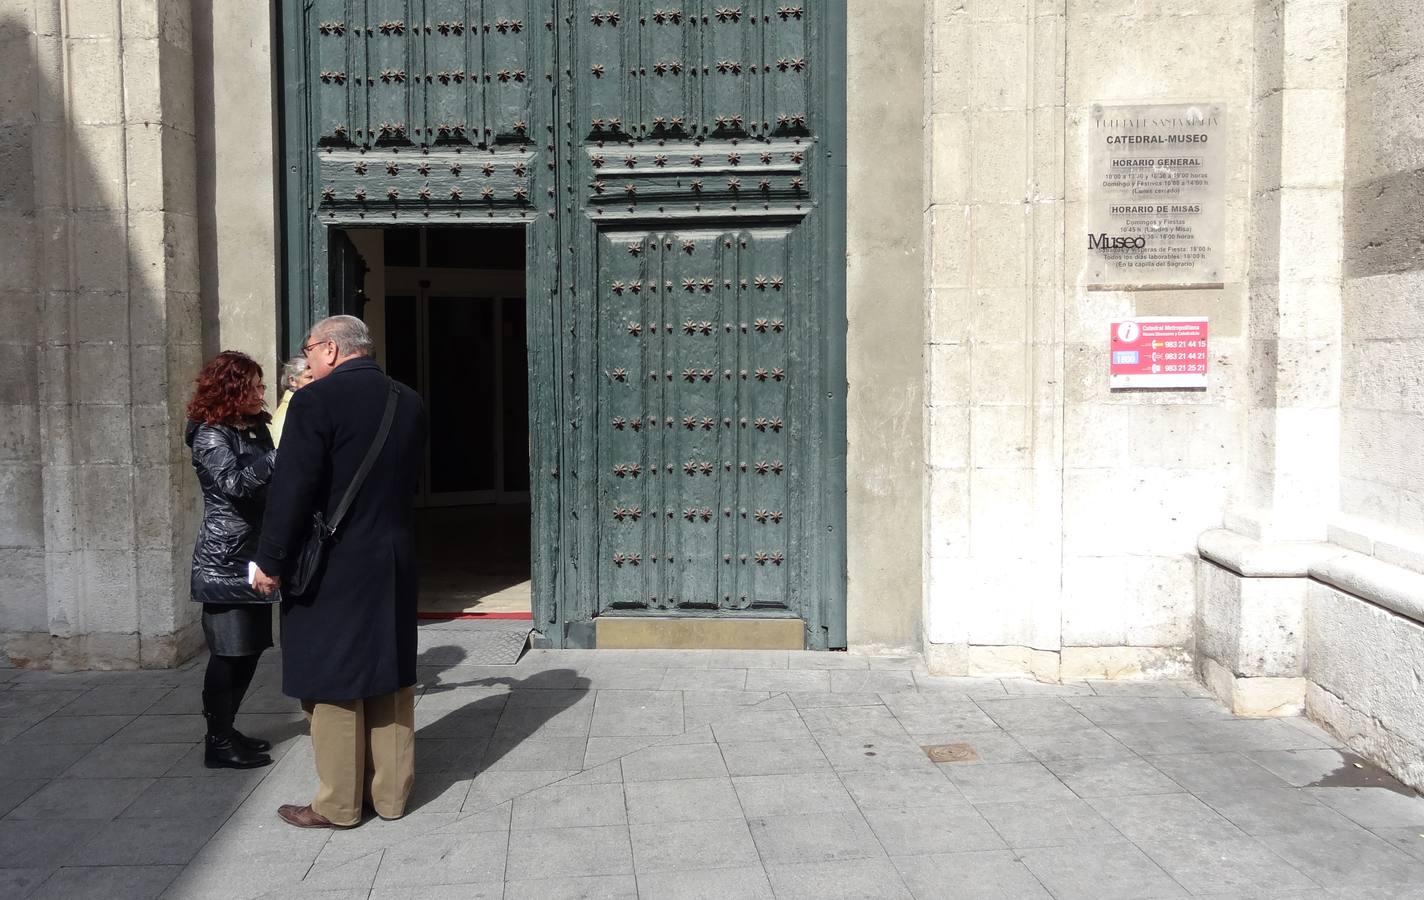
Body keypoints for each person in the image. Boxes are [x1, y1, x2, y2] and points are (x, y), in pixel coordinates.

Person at [252, 315, 427, 829]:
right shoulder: (409, 400)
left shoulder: (314, 401)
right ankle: (392, 797)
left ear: (329, 349)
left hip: (332, 561)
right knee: (390, 672)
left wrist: (271, 561)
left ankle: (339, 804)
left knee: (332, 678)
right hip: (392, 555)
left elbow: (292, 490)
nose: (305, 358)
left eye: (308, 348)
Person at [184, 350, 279, 769]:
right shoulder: (209, 434)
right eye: (255, 386)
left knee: (251, 649)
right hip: (223, 559)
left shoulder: (256, 428)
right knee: (229, 652)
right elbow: (235, 484)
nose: (262, 392)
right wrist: (282, 455)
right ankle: (217, 742)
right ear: (233, 389)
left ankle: (228, 727)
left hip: (254, 554)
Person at [268, 355, 312, 447]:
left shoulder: (302, 405)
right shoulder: (289, 412)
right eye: (309, 377)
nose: (315, 381)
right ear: (292, 380)